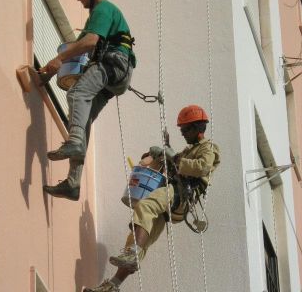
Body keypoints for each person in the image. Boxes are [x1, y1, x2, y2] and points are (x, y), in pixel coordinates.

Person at [83, 105, 220, 292]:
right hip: (171, 198)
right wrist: (161, 154)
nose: (183, 133)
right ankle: (113, 285)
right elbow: (173, 161)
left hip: (181, 193)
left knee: (146, 206)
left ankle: (133, 253)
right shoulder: (189, 150)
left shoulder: (208, 148)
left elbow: (202, 167)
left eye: (185, 129)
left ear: (198, 128)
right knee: (138, 239)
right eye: (181, 130)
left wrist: (175, 159)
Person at [40, 0, 136, 201]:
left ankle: (74, 143)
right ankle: (73, 183)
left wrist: (59, 59)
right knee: (83, 119)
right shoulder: (98, 15)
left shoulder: (103, 9)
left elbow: (90, 42)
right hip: (117, 74)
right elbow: (85, 46)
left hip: (114, 64)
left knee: (76, 94)